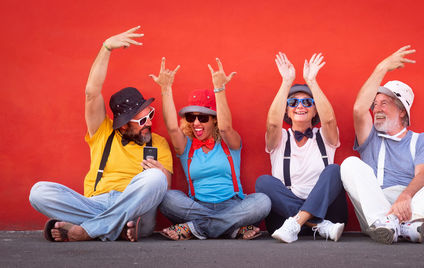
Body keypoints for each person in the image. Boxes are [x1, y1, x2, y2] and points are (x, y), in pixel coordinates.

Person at [29, 26, 173, 242]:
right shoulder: (103, 132)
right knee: (39, 192)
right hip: (97, 202)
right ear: (123, 125)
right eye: (142, 120)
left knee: (155, 178)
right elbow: (91, 93)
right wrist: (106, 48)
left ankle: (86, 230)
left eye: (150, 114)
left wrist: (162, 173)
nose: (150, 122)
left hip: (135, 206)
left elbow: (163, 189)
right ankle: (116, 228)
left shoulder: (158, 143)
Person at [340, 45, 424, 244]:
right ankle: (386, 222)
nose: (376, 109)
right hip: (376, 208)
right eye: (375, 103)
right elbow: (358, 109)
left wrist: (406, 197)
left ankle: (405, 222)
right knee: (349, 164)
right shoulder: (370, 137)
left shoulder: (422, 139)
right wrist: (382, 68)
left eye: (384, 103)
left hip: (415, 205)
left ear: (402, 112)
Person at [149, 57, 271, 240]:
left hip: (233, 205)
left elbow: (225, 128)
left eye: (203, 118)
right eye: (191, 118)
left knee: (263, 201)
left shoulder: (230, 142)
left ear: (214, 119)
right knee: (167, 198)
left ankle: (194, 228)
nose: (196, 123)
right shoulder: (187, 146)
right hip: (196, 207)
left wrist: (219, 88)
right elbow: (172, 128)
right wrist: (165, 89)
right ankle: (231, 229)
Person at [255, 52, 348, 243]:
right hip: (286, 219)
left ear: (315, 110)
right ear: (286, 110)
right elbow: (272, 124)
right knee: (263, 182)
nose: (300, 106)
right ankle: (315, 225)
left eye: (307, 102)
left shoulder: (324, 136)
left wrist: (312, 81)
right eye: (293, 102)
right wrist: (286, 82)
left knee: (335, 170)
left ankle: (300, 221)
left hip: (328, 212)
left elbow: (329, 119)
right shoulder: (280, 137)